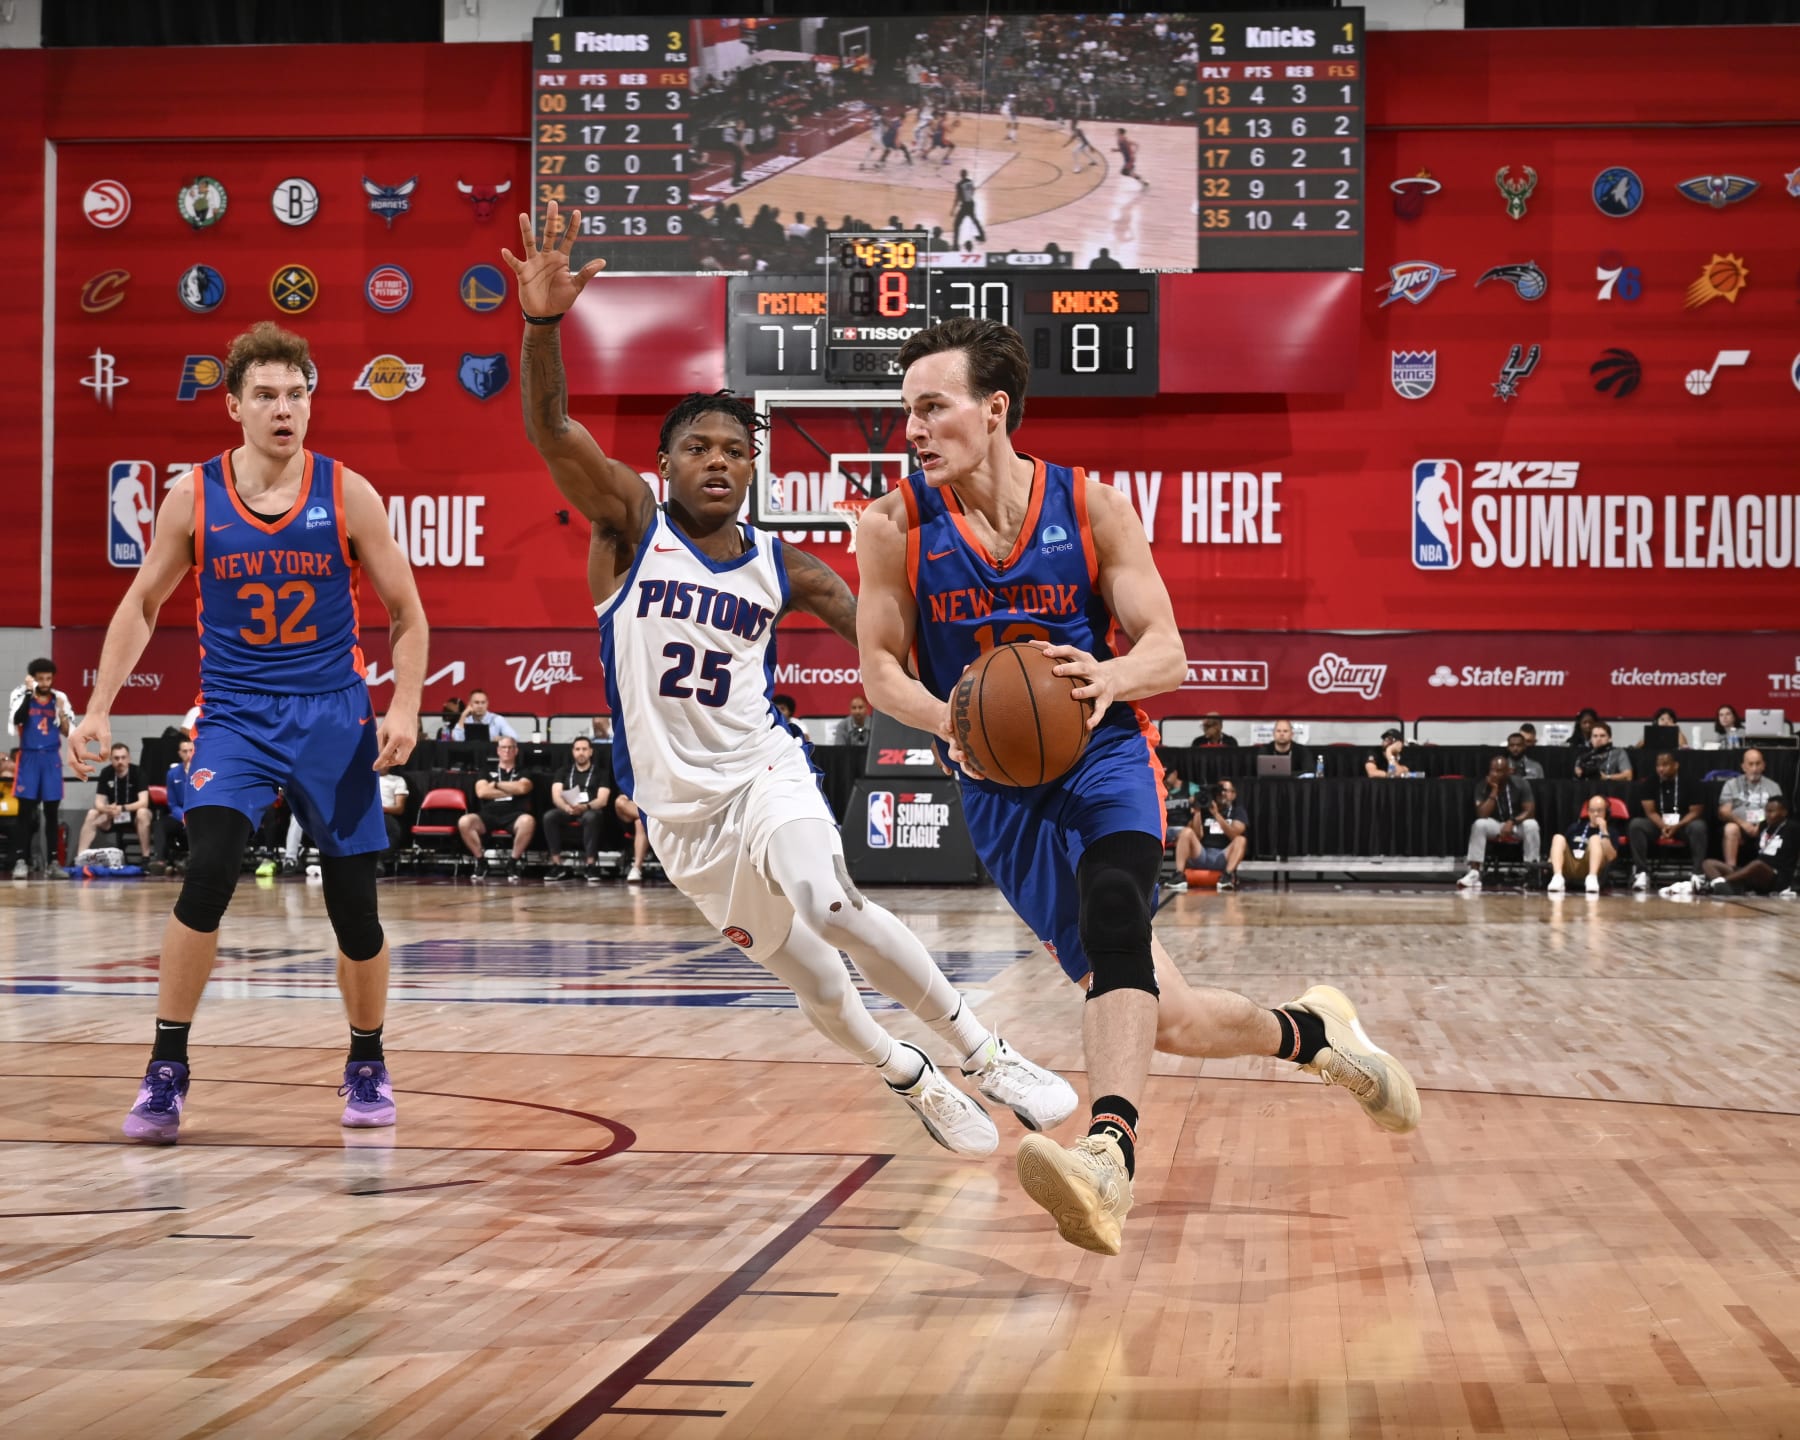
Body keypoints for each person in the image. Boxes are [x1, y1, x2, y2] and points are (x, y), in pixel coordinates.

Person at [506, 198, 1073, 1159]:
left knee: (828, 900)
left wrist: (961, 704)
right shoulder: (628, 529)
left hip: (766, 771)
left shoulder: (783, 567)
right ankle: (913, 1076)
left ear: (753, 469)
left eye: (735, 450)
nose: (719, 462)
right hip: (682, 819)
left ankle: (985, 1052)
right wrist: (542, 323)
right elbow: (553, 426)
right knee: (814, 978)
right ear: (665, 464)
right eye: (699, 448)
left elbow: (885, 642)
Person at [855, 315, 1419, 1256]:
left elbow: (1167, 648)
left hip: (1107, 753)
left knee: (1117, 910)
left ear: (994, 410)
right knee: (1174, 1018)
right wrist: (951, 721)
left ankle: (1106, 1156)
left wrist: (1109, 678)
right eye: (906, 410)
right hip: (1001, 790)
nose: (912, 429)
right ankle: (1315, 1033)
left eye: (932, 407)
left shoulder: (1089, 505)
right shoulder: (893, 525)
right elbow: (880, 670)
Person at [69, 319, 427, 1144]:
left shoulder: (349, 493)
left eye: (296, 394)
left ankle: (366, 1058)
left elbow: (407, 614)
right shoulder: (194, 496)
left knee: (354, 907)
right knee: (211, 871)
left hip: (333, 717)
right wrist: (97, 706)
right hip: (235, 715)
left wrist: (403, 705)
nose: (283, 409)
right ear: (233, 405)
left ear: (312, 402)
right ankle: (167, 1066)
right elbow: (143, 603)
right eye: (265, 395)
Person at [11, 658, 72, 877]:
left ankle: (53, 862)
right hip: (29, 757)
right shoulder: (21, 697)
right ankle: (21, 860)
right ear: (33, 679)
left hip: (50, 759)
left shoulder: (59, 700)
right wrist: (29, 692)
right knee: (25, 812)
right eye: (40, 679)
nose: (45, 682)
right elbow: (18, 719)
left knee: (51, 812)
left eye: (48, 678)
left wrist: (62, 712)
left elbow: (66, 731)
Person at [458, 734, 536, 880]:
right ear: (498, 750)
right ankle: (481, 862)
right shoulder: (486, 770)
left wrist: (495, 785)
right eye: (503, 747)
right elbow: (481, 792)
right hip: (488, 814)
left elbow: (522, 788)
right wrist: (509, 789)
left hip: (514, 813)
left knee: (528, 821)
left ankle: (512, 863)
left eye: (510, 747)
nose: (507, 750)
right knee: (465, 821)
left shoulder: (524, 771)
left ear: (516, 751)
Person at [1455, 754, 1539, 890]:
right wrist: (1493, 791)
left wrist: (1512, 821)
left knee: (1532, 825)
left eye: (1499, 771)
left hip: (1516, 824)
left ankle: (1532, 871)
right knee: (1479, 824)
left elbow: (1529, 811)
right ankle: (1475, 872)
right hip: (1495, 824)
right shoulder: (1483, 785)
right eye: (1492, 770)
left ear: (1508, 771)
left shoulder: (1521, 783)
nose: (1494, 774)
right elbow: (1482, 814)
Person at [1628, 751, 1707, 893]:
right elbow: (1650, 812)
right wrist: (1664, 826)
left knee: (1698, 826)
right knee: (1636, 825)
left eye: (1665, 765)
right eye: (1658, 765)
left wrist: (1677, 826)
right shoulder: (1650, 782)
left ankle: (1697, 873)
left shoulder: (1690, 781)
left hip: (1683, 825)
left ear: (1676, 765)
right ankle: (1641, 873)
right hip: (1659, 825)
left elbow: (1696, 811)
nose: (1661, 769)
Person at [544, 734, 617, 881]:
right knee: (549, 816)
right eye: (577, 749)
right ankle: (557, 864)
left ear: (591, 752)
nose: (581, 752)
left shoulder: (601, 773)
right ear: (573, 752)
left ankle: (590, 864)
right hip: (568, 809)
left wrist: (585, 807)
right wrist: (566, 807)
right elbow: (556, 795)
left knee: (592, 817)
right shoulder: (563, 771)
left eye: (584, 749)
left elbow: (602, 799)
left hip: (589, 809)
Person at [1697, 796, 1795, 896]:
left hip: (1776, 877)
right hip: (1753, 874)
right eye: (1766, 811)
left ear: (1784, 812)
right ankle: (1724, 887)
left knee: (1757, 864)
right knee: (1708, 863)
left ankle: (1717, 883)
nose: (1767, 815)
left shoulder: (1793, 829)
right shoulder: (1764, 825)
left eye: (1771, 811)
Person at [76, 742, 152, 860]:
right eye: (116, 758)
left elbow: (144, 802)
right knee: (92, 813)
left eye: (123, 757)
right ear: (111, 759)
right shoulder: (106, 773)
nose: (120, 761)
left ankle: (145, 858)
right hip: (113, 815)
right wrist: (107, 809)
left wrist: (122, 808)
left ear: (129, 758)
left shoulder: (138, 772)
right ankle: (80, 857)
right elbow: (98, 802)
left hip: (133, 814)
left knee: (143, 812)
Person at [1169, 778, 1248, 890]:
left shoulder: (1237, 810)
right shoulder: (1205, 808)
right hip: (1203, 854)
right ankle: (1179, 874)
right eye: (1219, 791)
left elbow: (1234, 835)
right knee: (1186, 832)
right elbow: (1197, 835)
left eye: (1225, 790)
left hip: (1222, 856)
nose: (1222, 794)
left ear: (1233, 794)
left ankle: (1227, 876)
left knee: (1241, 840)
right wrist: (1197, 812)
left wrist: (1217, 815)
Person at [1546, 793, 1624, 895]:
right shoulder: (1575, 827)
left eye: (1599, 811)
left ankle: (1592, 878)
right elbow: (1561, 848)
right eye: (1592, 810)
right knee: (1558, 837)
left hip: (1593, 866)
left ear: (1606, 812)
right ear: (1587, 812)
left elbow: (1611, 857)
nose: (1595, 814)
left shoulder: (1611, 831)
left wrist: (1604, 832)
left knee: (1595, 839)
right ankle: (1557, 877)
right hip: (1572, 864)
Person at [1719, 749, 1782, 867]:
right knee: (1730, 828)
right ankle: (1730, 870)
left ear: (1763, 765)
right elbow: (1724, 811)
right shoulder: (1731, 785)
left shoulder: (1773, 786)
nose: (1754, 768)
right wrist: (1743, 824)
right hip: (1740, 826)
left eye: (1758, 764)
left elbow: (1779, 812)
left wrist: (1761, 825)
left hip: (1765, 827)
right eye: (1751, 764)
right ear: (1743, 766)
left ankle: (1771, 871)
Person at [149, 736, 196, 875]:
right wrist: (183, 817)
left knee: (197, 826)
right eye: (184, 751)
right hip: (180, 814)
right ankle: (160, 861)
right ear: (179, 753)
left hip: (197, 814)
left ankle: (191, 861)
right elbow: (172, 803)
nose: (188, 754)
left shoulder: (202, 772)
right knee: (160, 824)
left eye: (190, 751)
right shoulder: (173, 774)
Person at [444, 689, 517, 742]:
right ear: (470, 704)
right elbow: (456, 739)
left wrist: (502, 738)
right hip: (469, 758)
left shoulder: (497, 719)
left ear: (487, 704)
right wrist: (463, 715)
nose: (480, 706)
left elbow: (515, 738)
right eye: (477, 702)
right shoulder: (465, 720)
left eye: (483, 702)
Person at [949, 169, 985, 247]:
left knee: (956, 224)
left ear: (961, 175)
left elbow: (957, 197)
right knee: (975, 221)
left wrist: (953, 209)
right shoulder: (970, 182)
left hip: (965, 205)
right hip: (971, 203)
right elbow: (973, 191)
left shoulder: (959, 184)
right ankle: (982, 236)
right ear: (966, 174)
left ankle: (955, 244)